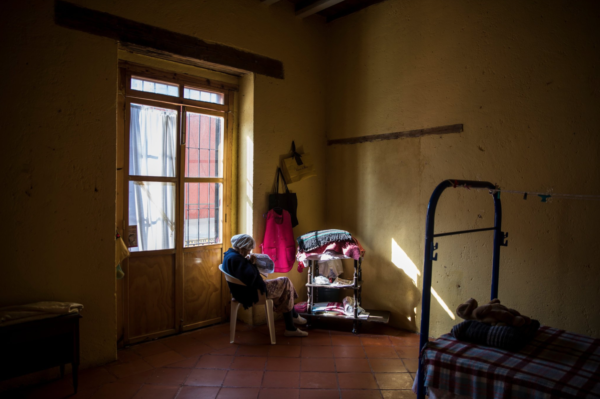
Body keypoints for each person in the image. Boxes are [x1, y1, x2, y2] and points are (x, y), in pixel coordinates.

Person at [222, 233, 308, 337]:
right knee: (285, 283)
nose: (249, 252)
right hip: (251, 292)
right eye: (248, 249)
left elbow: (246, 276)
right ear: (242, 247)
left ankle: (292, 319)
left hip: (244, 290)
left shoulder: (230, 255)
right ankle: (291, 323)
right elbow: (251, 278)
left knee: (285, 286)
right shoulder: (236, 259)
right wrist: (252, 264)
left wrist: (249, 262)